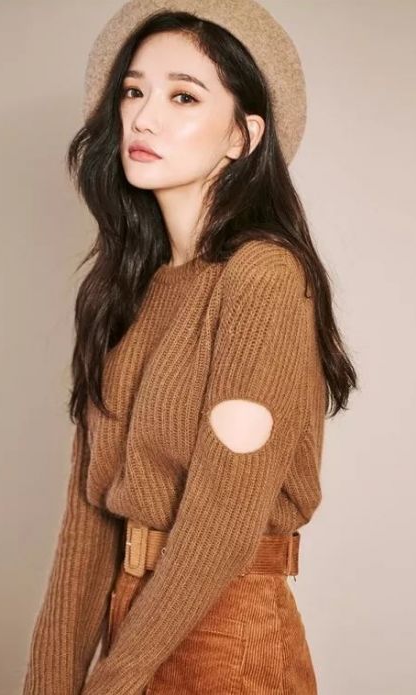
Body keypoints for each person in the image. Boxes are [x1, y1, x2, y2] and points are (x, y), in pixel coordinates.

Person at [22, 2, 357, 694]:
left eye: (183, 96)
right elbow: (88, 522)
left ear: (243, 135)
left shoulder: (262, 279)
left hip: (222, 633)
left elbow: (222, 523)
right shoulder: (127, 293)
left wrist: (113, 681)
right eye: (133, 91)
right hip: (132, 618)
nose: (144, 118)